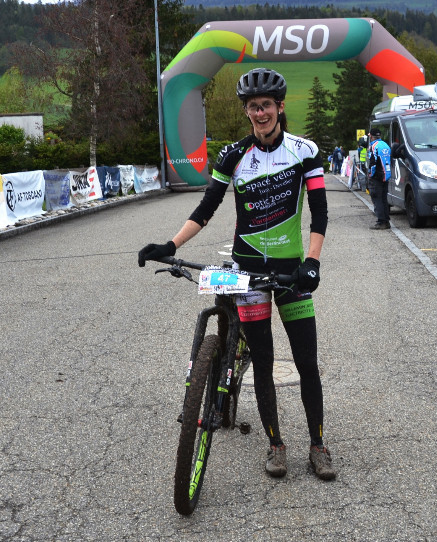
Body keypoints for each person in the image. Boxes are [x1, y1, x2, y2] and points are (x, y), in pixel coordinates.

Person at [137, 67, 336, 481]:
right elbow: (206, 209)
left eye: (266, 105)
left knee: (306, 362)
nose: (260, 113)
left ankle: (318, 445)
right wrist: (172, 245)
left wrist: (313, 263)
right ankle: (276, 445)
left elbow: (319, 213)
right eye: (252, 107)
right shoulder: (233, 155)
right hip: (248, 273)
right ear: (247, 111)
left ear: (280, 107)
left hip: (291, 272)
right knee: (262, 362)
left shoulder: (305, 151)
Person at [368, 128, 392, 229]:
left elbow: (373, 163)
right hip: (386, 176)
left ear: (371, 136)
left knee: (376, 199)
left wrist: (370, 174)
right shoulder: (386, 145)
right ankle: (386, 221)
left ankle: (381, 222)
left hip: (376, 177)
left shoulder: (374, 146)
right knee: (383, 199)